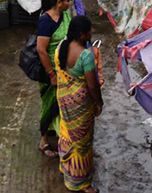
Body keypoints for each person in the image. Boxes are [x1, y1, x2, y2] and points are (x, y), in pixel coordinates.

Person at [56, 16, 102, 193]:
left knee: (67, 132)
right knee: (81, 141)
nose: (91, 34)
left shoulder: (61, 46)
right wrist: (99, 103)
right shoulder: (85, 56)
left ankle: (65, 166)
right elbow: (92, 85)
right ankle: (80, 183)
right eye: (89, 31)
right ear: (82, 34)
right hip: (80, 104)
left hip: (64, 98)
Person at [35, 0, 74, 158]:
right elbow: (42, 50)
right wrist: (51, 74)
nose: (70, 3)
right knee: (49, 105)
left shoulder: (65, 15)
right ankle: (43, 140)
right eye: (67, 0)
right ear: (59, 2)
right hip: (49, 71)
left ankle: (58, 134)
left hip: (64, 69)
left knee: (61, 104)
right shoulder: (46, 21)